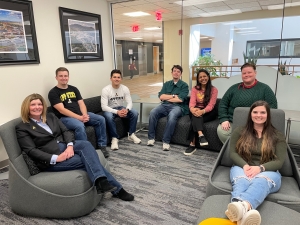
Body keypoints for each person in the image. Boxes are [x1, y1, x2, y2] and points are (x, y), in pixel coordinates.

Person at [16, 93, 134, 201]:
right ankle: (116, 189)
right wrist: (56, 158)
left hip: (64, 146)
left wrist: (70, 146)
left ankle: (101, 181)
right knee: (88, 160)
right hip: (49, 159)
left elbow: (66, 131)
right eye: (33, 105)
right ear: (27, 107)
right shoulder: (22, 127)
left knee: (86, 144)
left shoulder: (50, 116)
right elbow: (31, 150)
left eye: (39, 104)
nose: (37, 107)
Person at [225, 100, 286, 225]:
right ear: (250, 114)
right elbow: (233, 153)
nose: (259, 115)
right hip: (242, 166)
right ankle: (243, 215)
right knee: (241, 181)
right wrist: (245, 166)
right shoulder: (239, 131)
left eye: (263, 112)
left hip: (268, 171)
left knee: (261, 181)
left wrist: (260, 168)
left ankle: (240, 207)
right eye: (255, 112)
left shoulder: (277, 135)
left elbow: (279, 161)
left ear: (268, 115)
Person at [48, 67, 109, 158]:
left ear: (68, 77)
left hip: (80, 114)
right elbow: (62, 110)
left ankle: (102, 146)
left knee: (100, 119)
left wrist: (84, 114)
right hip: (64, 118)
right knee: (79, 126)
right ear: (56, 77)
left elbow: (81, 103)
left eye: (65, 76)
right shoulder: (53, 92)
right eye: (61, 76)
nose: (64, 78)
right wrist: (79, 118)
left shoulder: (74, 89)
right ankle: (85, 151)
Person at [217, 63, 277, 144]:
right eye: (244, 73)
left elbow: (273, 107)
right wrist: (224, 119)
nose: (246, 75)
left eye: (249, 72)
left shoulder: (265, 89)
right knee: (222, 131)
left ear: (255, 73)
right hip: (233, 122)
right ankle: (234, 151)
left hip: (256, 123)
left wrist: (262, 122)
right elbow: (223, 104)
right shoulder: (233, 88)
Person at [147, 65, 189, 151]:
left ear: (181, 74)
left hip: (178, 107)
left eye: (178, 71)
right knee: (152, 112)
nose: (176, 73)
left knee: (172, 115)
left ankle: (166, 141)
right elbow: (161, 97)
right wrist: (174, 96)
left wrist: (168, 97)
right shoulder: (166, 84)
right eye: (174, 71)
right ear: (171, 72)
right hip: (164, 105)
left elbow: (180, 99)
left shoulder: (184, 85)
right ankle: (151, 138)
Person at [101, 69, 141, 150]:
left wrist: (127, 109)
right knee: (108, 117)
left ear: (121, 79)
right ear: (111, 78)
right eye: (114, 77)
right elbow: (104, 107)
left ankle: (131, 134)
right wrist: (117, 112)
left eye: (118, 77)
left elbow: (129, 102)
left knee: (135, 112)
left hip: (120, 107)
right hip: (110, 109)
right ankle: (114, 138)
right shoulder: (105, 90)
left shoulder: (125, 88)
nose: (116, 79)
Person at [184, 69, 218, 156]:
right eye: (200, 77)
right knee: (195, 116)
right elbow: (191, 103)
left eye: (204, 76)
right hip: (196, 109)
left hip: (209, 111)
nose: (203, 78)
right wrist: (192, 110)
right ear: (198, 79)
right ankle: (201, 135)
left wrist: (202, 111)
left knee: (195, 120)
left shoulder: (214, 90)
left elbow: (211, 105)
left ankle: (192, 145)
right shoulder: (195, 89)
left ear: (208, 77)